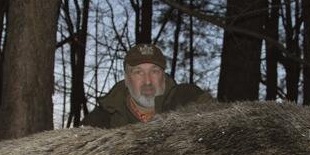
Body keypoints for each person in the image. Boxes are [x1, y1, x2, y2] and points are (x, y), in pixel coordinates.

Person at [82, 43, 213, 128]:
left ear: (163, 75)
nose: (148, 81)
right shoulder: (99, 121)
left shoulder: (188, 99)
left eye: (154, 71)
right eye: (138, 72)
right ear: (127, 79)